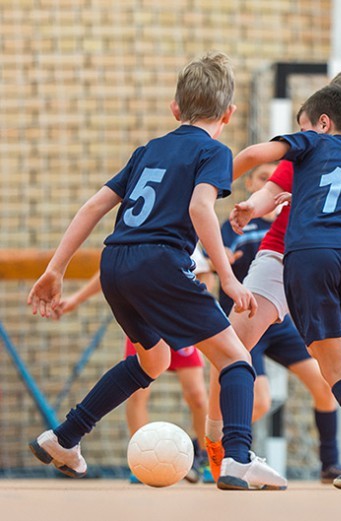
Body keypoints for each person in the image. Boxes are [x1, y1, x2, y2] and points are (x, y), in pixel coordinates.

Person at [26, 52, 286, 490]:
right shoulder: (214, 151)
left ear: (175, 108)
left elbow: (94, 206)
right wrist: (227, 276)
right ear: (229, 113)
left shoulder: (148, 150)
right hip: (160, 263)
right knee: (235, 358)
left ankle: (65, 437)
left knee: (153, 359)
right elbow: (200, 207)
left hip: (116, 263)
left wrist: (56, 268)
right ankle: (238, 459)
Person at [205, 68, 341, 484]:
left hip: (319, 259)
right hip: (287, 255)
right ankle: (217, 438)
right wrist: (253, 206)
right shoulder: (311, 144)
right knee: (233, 345)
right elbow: (272, 188)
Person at [211, 161, 341, 483]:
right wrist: (218, 265)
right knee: (259, 401)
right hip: (248, 319)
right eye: (263, 177)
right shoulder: (235, 226)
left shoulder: (295, 222)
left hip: (281, 323)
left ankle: (329, 463)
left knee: (324, 383)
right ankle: (213, 450)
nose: (270, 182)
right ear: (252, 185)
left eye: (273, 176)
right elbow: (212, 263)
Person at [57, 247, 215, 484]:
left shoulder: (185, 238)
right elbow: (108, 271)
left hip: (179, 321)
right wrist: (77, 298)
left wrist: (194, 308)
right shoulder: (135, 240)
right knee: (138, 392)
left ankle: (207, 458)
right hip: (145, 322)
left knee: (198, 396)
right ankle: (141, 459)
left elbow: (206, 276)